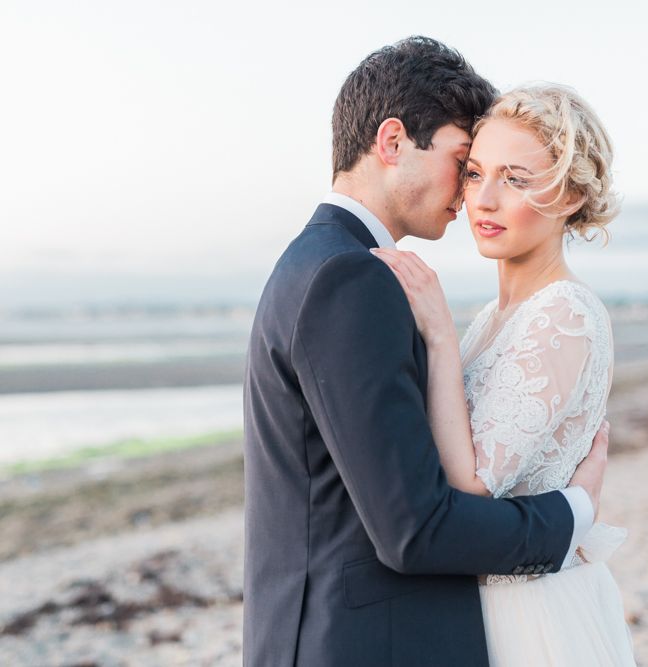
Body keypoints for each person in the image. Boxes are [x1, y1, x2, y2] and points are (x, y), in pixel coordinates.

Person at [243, 37, 609, 666]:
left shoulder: (317, 262)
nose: (472, 194)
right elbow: (415, 528)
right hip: (357, 644)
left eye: (504, 176)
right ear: (392, 142)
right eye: (465, 163)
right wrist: (572, 514)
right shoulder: (350, 278)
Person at [373, 84, 635, 664]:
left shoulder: (565, 314)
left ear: (568, 195)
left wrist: (438, 337)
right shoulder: (496, 317)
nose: (483, 199)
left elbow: (472, 486)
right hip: (481, 603)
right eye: (474, 173)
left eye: (515, 179)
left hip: (534, 616)